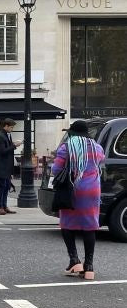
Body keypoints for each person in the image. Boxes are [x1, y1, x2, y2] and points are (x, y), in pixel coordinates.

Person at [52, 120, 105, 280]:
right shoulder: (97, 147)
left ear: (73, 133)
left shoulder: (66, 148)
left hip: (72, 190)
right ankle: (89, 267)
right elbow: (100, 161)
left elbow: (56, 169)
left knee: (67, 224)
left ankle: (74, 260)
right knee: (90, 226)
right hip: (93, 190)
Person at [0, 118, 22, 214]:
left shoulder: (7, 135)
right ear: (6, 126)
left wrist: (13, 144)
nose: (12, 129)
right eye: (11, 127)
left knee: (7, 186)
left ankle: (4, 206)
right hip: (1, 166)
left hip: (7, 166)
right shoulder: (0, 136)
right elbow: (2, 151)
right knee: (1, 186)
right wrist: (14, 146)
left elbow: (6, 149)